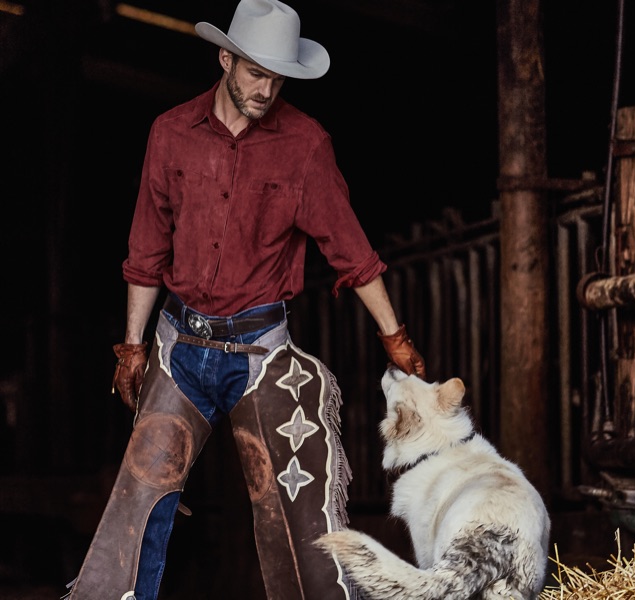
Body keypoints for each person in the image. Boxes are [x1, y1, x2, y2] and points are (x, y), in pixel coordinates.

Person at [64, 0, 425, 598]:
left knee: (297, 511)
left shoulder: (306, 145)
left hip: (260, 355)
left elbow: (351, 250)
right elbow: (146, 249)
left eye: (279, 77)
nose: (267, 89)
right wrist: (131, 349)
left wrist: (395, 337)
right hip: (180, 349)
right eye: (257, 73)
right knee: (139, 506)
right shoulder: (170, 133)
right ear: (226, 58)